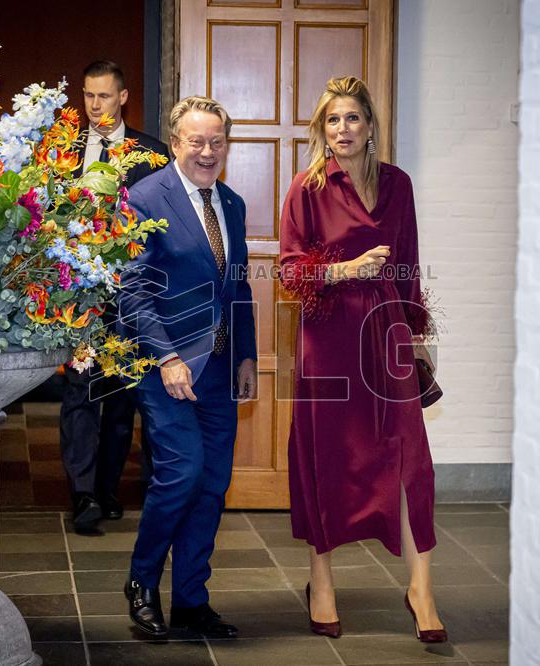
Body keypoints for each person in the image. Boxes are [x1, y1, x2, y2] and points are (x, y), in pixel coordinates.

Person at [278, 76, 447, 643]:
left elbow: (410, 264)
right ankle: (320, 579)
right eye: (332, 120)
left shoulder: (399, 185)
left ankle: (421, 586)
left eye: (353, 118)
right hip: (328, 338)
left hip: (388, 333)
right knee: (327, 459)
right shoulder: (307, 189)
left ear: (371, 126)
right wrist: (344, 270)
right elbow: (287, 271)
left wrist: (417, 335)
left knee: (411, 460)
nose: (343, 129)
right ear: (320, 129)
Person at [117, 96, 258, 638]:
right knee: (181, 473)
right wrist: (168, 357)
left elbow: (239, 285)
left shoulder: (234, 205)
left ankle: (192, 600)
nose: (207, 152)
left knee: (213, 482)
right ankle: (142, 581)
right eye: (196, 141)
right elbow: (132, 289)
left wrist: (246, 354)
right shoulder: (144, 198)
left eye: (216, 142)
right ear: (175, 143)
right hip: (165, 367)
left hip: (221, 369)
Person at [60, 60, 169, 533]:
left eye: (104, 96)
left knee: (123, 397)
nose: (95, 105)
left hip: (134, 294)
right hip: (79, 294)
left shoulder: (152, 154)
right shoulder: (62, 153)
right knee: (79, 391)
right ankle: (82, 493)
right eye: (88, 96)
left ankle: (106, 487)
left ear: (123, 97)